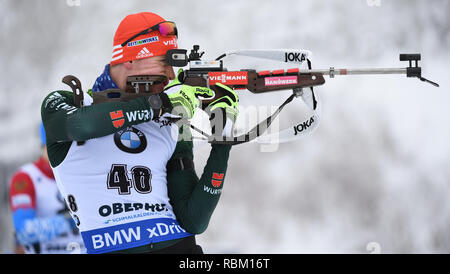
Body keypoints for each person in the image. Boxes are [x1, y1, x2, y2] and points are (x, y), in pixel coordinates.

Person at [41, 12, 238, 254]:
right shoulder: (66, 102)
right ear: (130, 60)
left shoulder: (170, 120)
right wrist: (159, 104)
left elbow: (194, 220)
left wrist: (223, 137)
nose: (171, 76)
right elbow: (81, 126)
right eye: (164, 63)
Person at [9, 123, 85, 254]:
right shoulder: (25, 177)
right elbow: (24, 232)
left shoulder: (82, 172)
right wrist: (69, 220)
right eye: (55, 147)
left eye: (68, 146)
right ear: (44, 146)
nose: (62, 153)